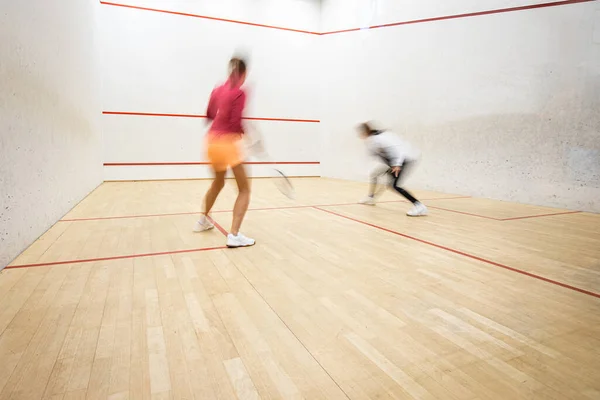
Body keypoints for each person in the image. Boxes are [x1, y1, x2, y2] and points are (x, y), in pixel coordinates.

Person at [193, 57, 255, 247]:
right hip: (228, 143)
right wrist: (245, 133)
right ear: (243, 73)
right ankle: (234, 235)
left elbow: (210, 115)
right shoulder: (240, 92)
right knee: (244, 188)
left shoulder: (217, 89)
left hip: (211, 143)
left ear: (230, 71)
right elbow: (235, 121)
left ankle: (203, 220)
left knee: (218, 182)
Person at [358, 122, 428, 216]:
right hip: (396, 160)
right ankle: (371, 197)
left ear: (365, 132)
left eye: (361, 133)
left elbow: (396, 150)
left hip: (405, 158)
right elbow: (378, 154)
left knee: (394, 185)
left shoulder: (380, 138)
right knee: (375, 174)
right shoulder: (373, 140)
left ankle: (419, 206)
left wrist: (397, 165)